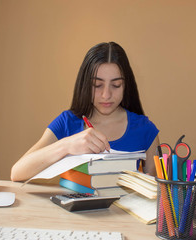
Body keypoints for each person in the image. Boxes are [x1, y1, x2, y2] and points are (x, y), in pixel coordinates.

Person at [11, 42, 159, 182]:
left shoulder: (145, 129)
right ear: (86, 85)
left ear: (126, 85)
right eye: (97, 85)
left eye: (116, 85)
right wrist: (66, 146)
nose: (106, 95)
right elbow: (17, 173)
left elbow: (156, 191)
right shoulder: (67, 122)